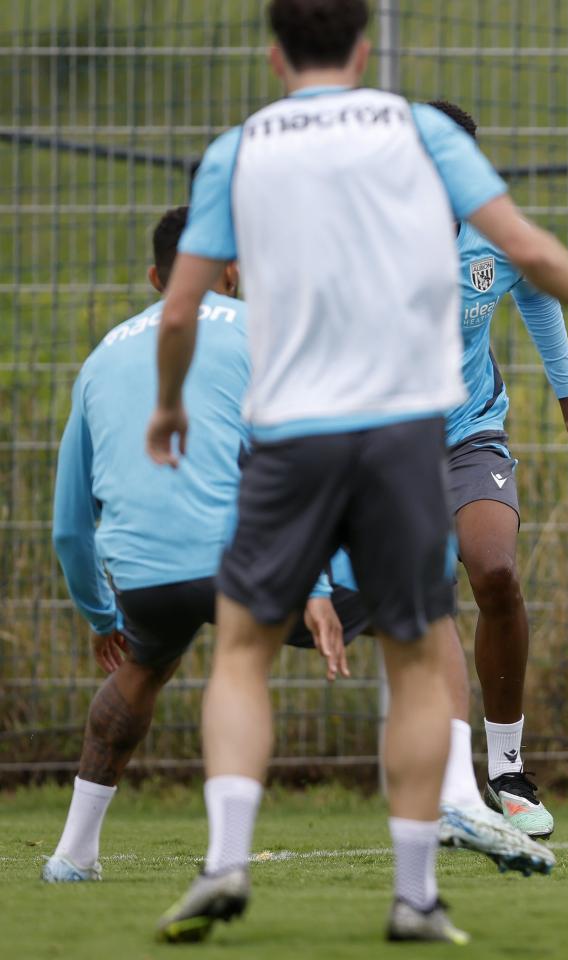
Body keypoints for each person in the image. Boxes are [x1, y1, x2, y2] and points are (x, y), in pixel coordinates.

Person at [147, 0, 568, 946]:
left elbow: (179, 311)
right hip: (399, 436)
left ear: (274, 55)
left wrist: (168, 405)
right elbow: (529, 246)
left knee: (243, 650)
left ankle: (226, 860)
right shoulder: (410, 132)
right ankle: (415, 895)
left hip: (293, 433)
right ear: (366, 48)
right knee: (416, 654)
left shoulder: (240, 150)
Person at [43, 207, 353, 884]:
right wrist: (318, 586)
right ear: (233, 270)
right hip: (244, 565)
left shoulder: (101, 357)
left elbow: (69, 526)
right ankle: (454, 790)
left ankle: (72, 854)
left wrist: (101, 616)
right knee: (409, 610)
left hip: (141, 572)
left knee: (143, 665)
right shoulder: (259, 330)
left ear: (157, 279)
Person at [428, 99, 568, 839]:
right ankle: (445, 786)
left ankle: (506, 771)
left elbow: (539, 296)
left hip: (471, 433)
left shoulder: (492, 238)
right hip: (389, 446)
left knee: (496, 571)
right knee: (420, 606)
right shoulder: (369, 241)